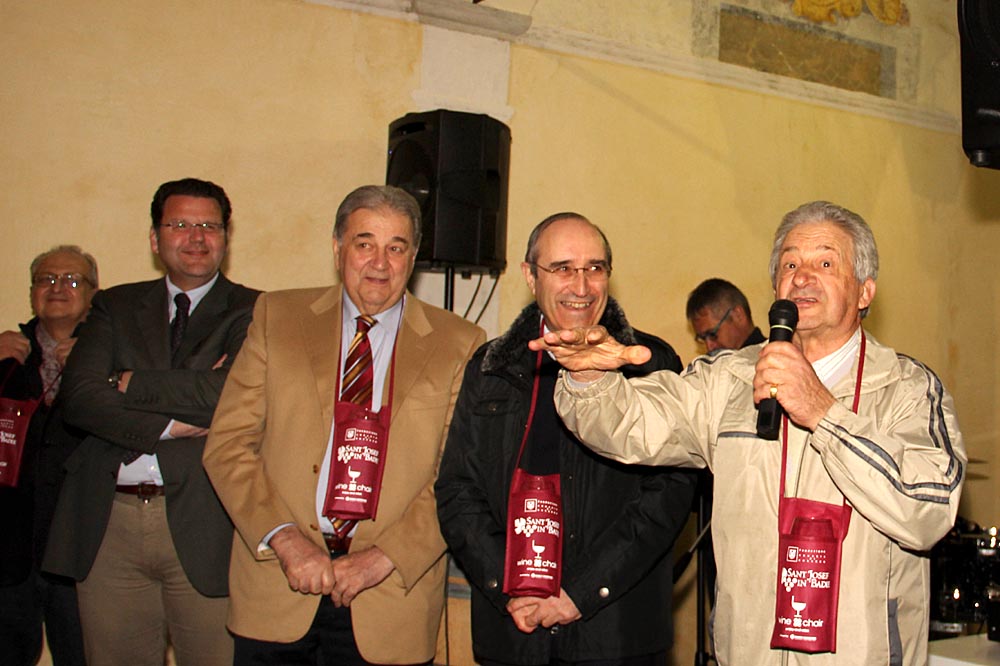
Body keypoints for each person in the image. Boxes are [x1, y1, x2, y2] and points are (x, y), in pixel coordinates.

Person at [541, 201, 965, 665]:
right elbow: (632, 424)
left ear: (865, 291)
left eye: (825, 263)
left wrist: (823, 412)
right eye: (790, 265)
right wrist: (588, 378)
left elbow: (929, 510)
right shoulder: (729, 378)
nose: (802, 277)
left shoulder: (908, 388)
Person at [203, 184, 485, 665]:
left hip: (390, 600)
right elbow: (228, 444)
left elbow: (459, 476)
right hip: (278, 586)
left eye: (396, 247)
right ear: (337, 249)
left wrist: (383, 558)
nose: (380, 263)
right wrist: (286, 539)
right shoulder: (277, 316)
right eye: (364, 243)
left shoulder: (459, 343)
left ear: (413, 258)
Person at [435, 213, 695, 665]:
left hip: (616, 634)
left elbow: (669, 492)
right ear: (530, 276)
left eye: (595, 268)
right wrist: (509, 586)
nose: (581, 286)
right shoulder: (490, 367)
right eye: (562, 268)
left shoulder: (648, 363)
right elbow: (458, 490)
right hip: (513, 633)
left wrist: (581, 592)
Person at [43, 178, 261, 666]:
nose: (197, 237)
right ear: (154, 238)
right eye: (180, 224)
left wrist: (126, 380)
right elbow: (80, 397)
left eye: (210, 226)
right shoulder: (115, 305)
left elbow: (230, 394)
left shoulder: (257, 310)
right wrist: (170, 426)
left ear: (226, 237)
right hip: (108, 522)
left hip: (208, 520)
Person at [0, 245, 97, 666]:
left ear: (94, 294)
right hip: (9, 552)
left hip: (82, 553)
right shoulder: (7, 357)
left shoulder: (109, 357)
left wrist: (95, 370)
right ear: (31, 293)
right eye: (46, 279)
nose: (57, 287)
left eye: (72, 280)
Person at [686, 277, 764, 352]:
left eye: (712, 335)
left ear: (738, 315)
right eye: (703, 338)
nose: (709, 347)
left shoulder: (768, 358)